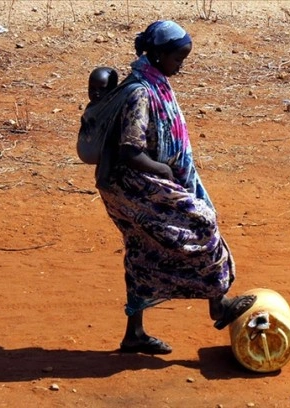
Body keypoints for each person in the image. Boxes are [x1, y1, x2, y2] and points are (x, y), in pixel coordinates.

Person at [87, 20, 256, 355]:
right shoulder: (140, 92)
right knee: (202, 223)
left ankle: (134, 334)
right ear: (159, 53)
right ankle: (218, 304)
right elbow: (131, 151)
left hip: (135, 182)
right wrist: (165, 169)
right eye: (177, 57)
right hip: (132, 184)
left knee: (142, 249)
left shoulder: (153, 82)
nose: (181, 64)